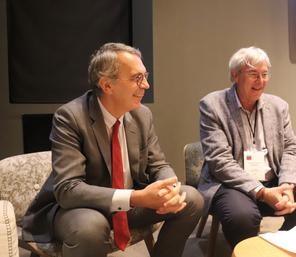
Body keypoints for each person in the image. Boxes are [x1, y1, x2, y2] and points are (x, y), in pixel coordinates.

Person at [22, 42, 203, 257]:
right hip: (82, 208)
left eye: (146, 76)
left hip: (130, 203)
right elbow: (68, 189)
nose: (146, 85)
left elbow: (158, 164)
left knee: (190, 199)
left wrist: (170, 187)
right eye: (137, 78)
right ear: (107, 85)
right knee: (90, 227)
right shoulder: (70, 117)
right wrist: (136, 197)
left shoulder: (141, 115)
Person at [198, 46, 296, 248]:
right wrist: (261, 192)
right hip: (232, 184)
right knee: (242, 217)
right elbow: (220, 161)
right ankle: (253, 252)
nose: (261, 81)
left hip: (274, 180)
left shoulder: (278, 106)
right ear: (235, 75)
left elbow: (291, 149)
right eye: (253, 74)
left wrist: (288, 185)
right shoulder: (213, 105)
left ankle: (279, 245)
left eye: (264, 74)